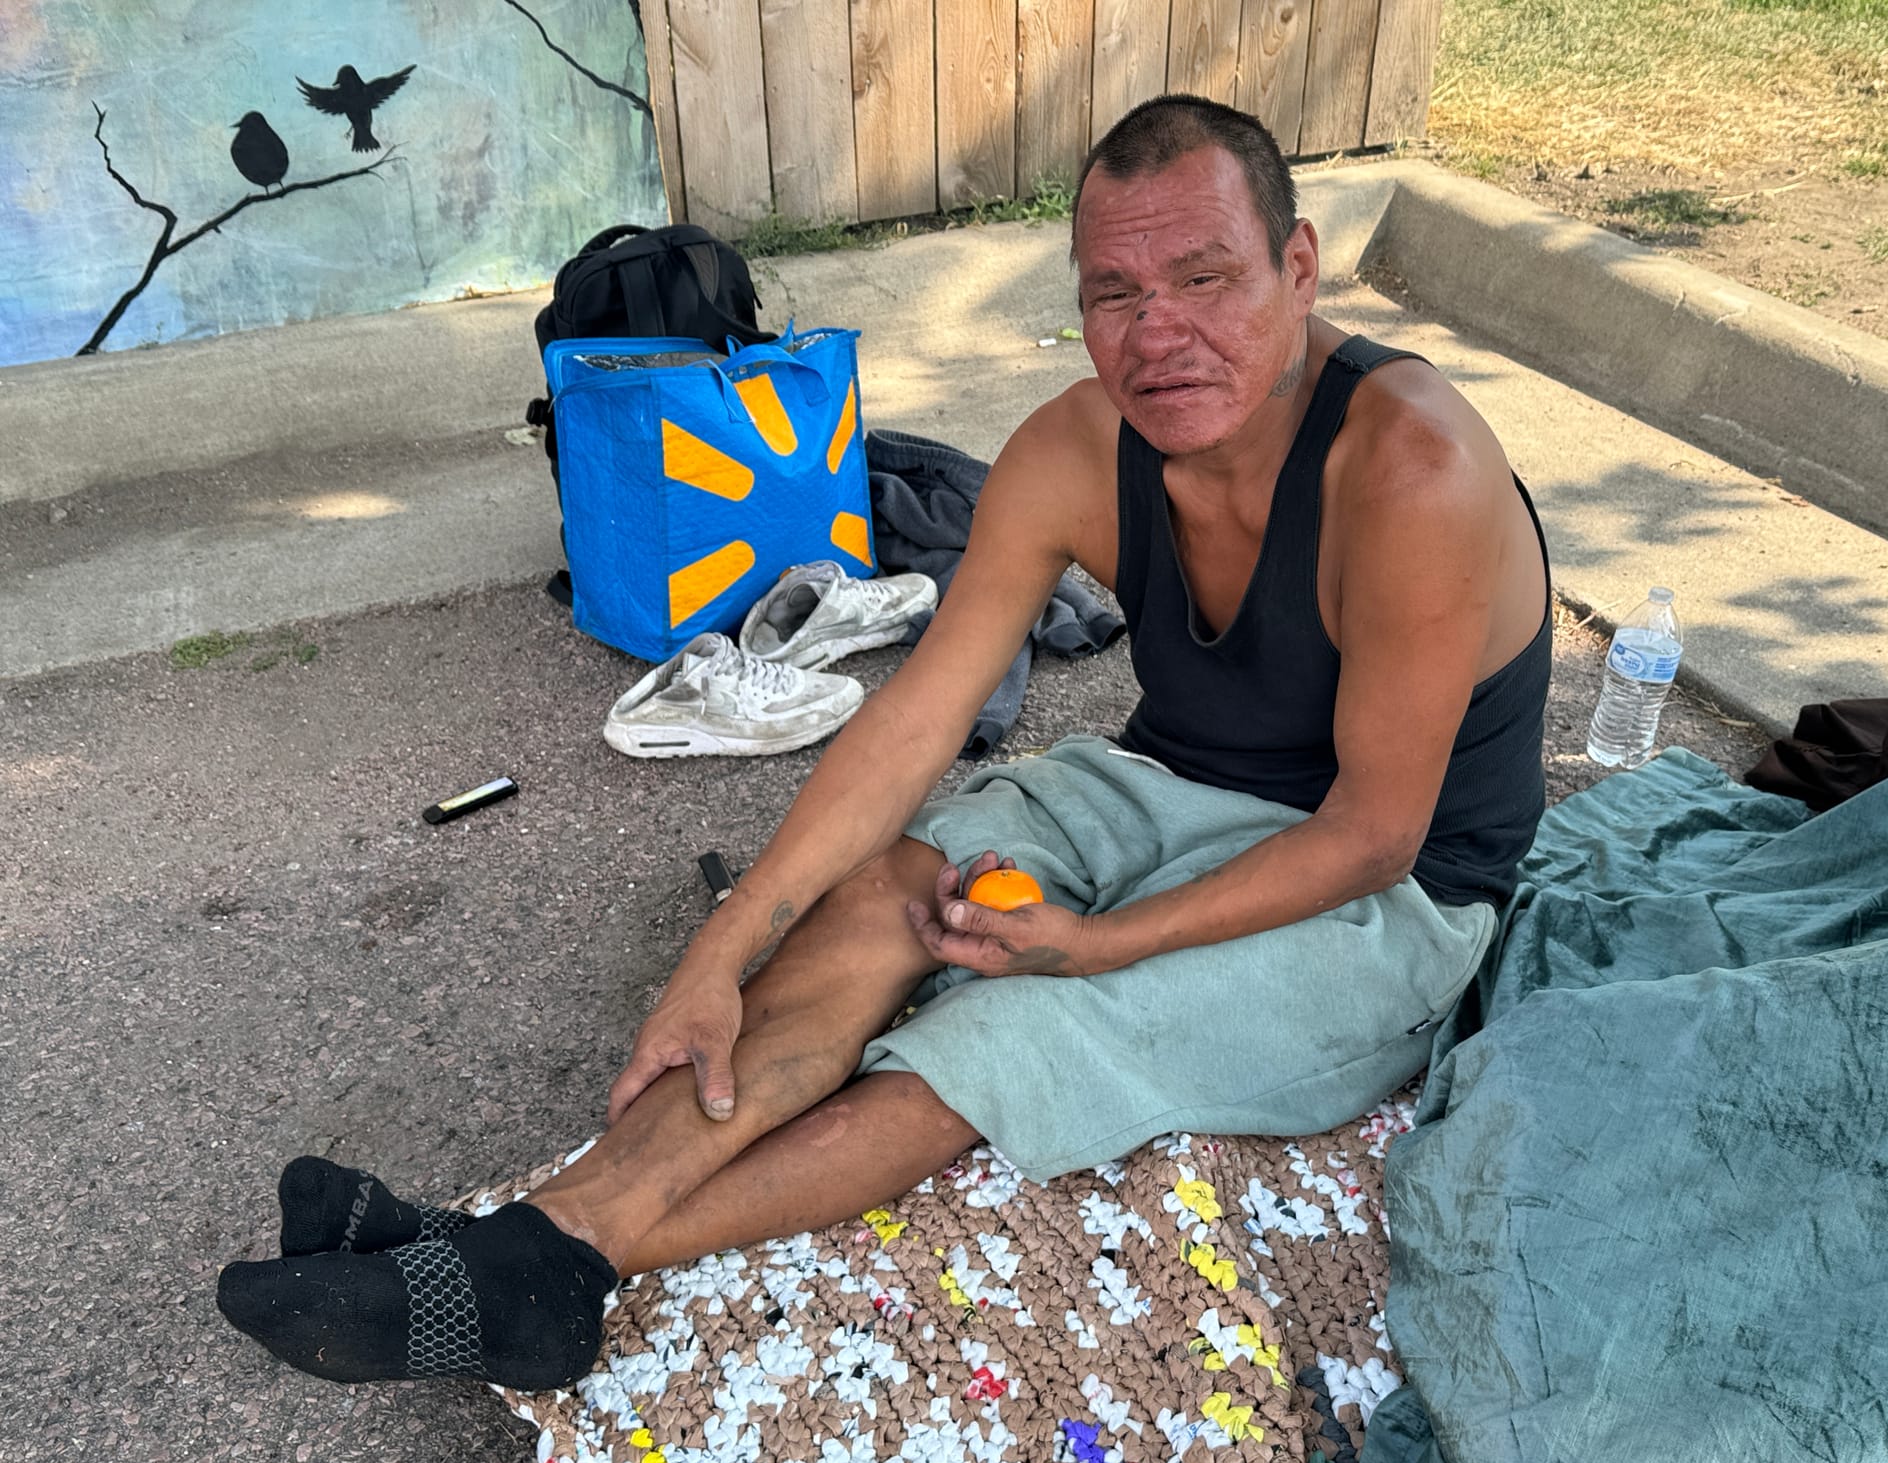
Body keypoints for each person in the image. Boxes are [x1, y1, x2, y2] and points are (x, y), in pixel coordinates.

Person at [217, 94, 1553, 1391]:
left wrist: (1092, 945)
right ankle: (520, 1258)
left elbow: (1374, 833)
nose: (1161, 336)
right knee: (883, 896)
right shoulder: (1076, 449)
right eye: (1114, 295)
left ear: (1300, 265)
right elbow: (912, 724)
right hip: (1166, 790)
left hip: (1394, 896)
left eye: (1205, 279)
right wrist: (717, 957)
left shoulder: (1410, 472)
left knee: (1008, 1030)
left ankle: (521, 1252)